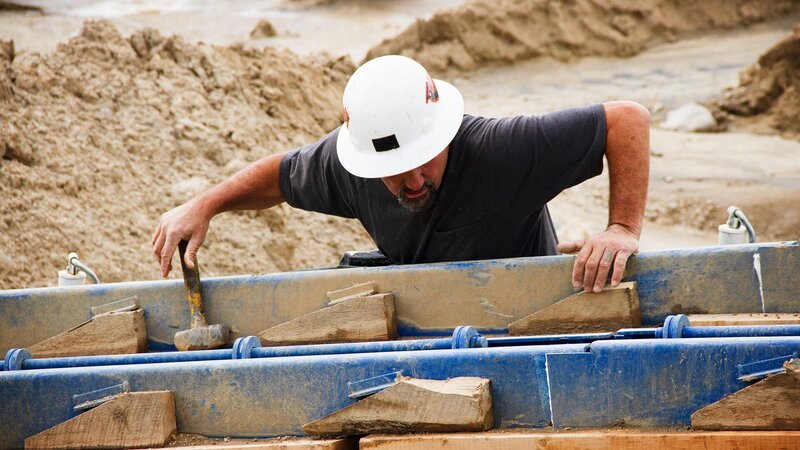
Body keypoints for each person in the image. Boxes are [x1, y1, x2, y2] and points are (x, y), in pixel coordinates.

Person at [152, 55, 649, 293]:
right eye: (392, 172)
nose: (410, 181)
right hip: (430, 319)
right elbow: (279, 177)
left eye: (423, 162)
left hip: (527, 313)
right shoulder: (351, 167)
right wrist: (204, 204)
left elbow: (625, 120)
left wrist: (621, 228)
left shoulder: (503, 150)